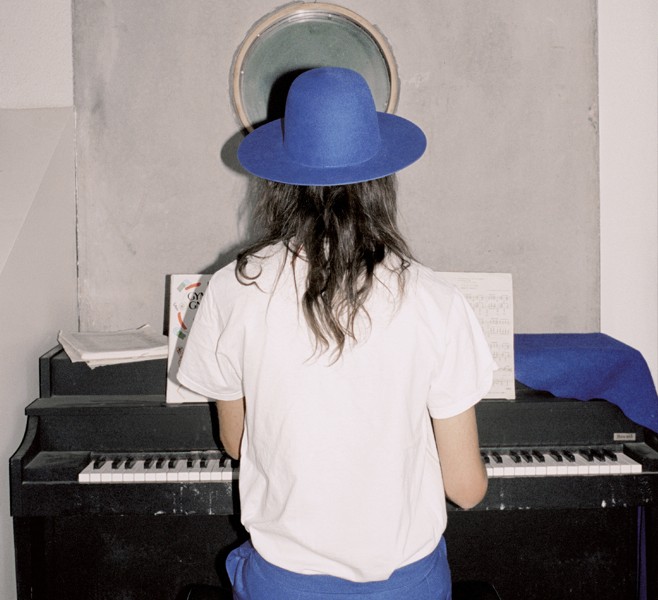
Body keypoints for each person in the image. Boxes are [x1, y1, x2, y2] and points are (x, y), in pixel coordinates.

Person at [178, 66, 496, 600]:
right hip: (405, 587)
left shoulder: (232, 289)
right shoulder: (435, 300)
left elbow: (236, 442)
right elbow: (465, 490)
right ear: (382, 180)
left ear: (280, 182)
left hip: (282, 585)